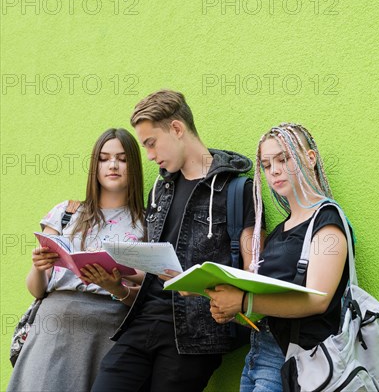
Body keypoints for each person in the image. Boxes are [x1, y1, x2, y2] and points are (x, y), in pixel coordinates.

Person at [92, 89, 260, 392]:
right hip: (143, 320)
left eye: (151, 143)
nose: (150, 155)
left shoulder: (237, 190)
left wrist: (198, 284)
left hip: (195, 335)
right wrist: (118, 278)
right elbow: (155, 265)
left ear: (177, 129)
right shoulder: (160, 188)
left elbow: (252, 274)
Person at [206, 123, 351, 391]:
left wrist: (242, 300)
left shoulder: (327, 222)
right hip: (258, 354)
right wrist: (232, 306)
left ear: (310, 159)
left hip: (296, 360)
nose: (274, 170)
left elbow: (318, 300)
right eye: (266, 164)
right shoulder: (280, 231)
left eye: (283, 159)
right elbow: (268, 303)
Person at [7, 128, 146, 392]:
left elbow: (151, 286)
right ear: (94, 166)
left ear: (134, 165)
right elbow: (36, 289)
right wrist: (39, 267)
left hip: (109, 330)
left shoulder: (148, 222)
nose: (113, 165)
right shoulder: (66, 213)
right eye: (104, 159)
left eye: (122, 158)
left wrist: (117, 286)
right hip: (54, 328)